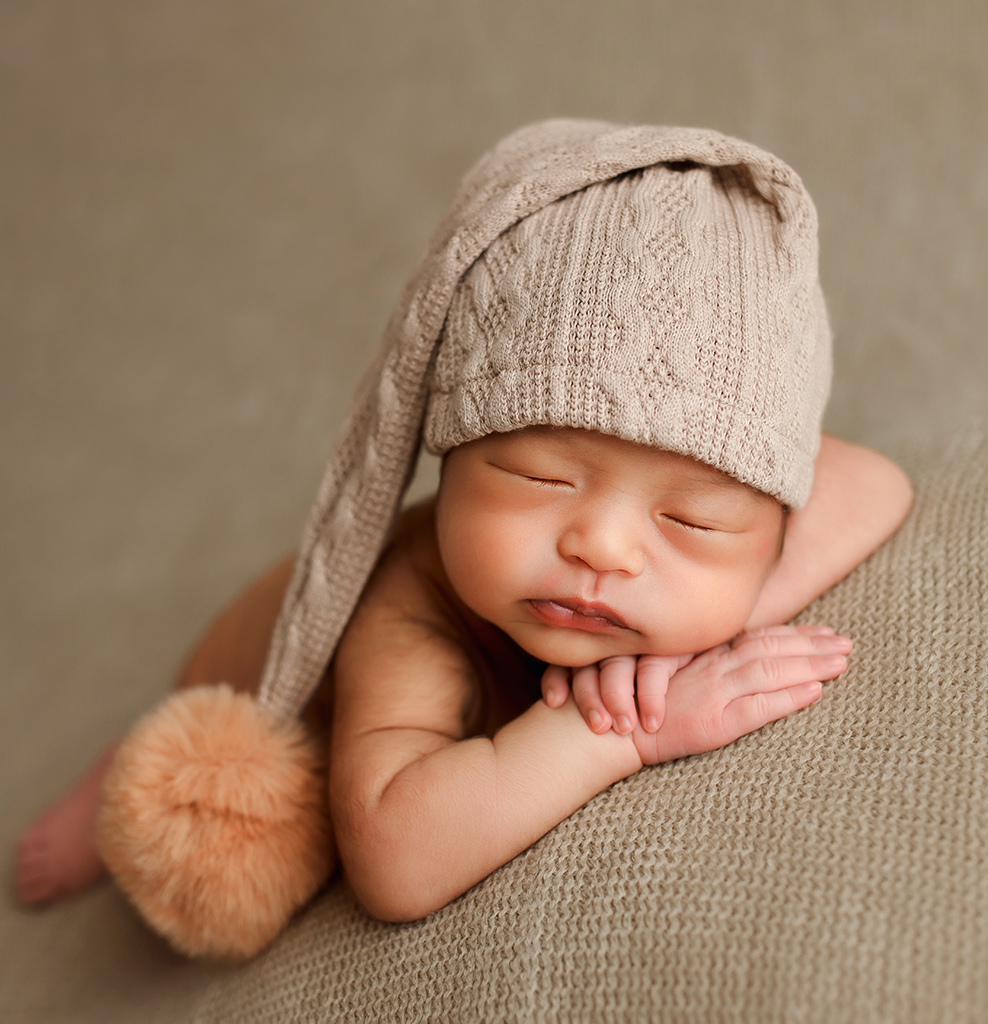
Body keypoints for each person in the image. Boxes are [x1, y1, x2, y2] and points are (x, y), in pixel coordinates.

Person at [16, 121, 912, 934]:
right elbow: (397, 861)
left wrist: (699, 628)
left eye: (693, 520)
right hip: (247, 669)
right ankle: (112, 770)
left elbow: (875, 483)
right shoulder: (411, 614)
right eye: (537, 476)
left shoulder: (736, 517)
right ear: (445, 458)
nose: (602, 547)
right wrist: (623, 730)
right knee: (184, 745)